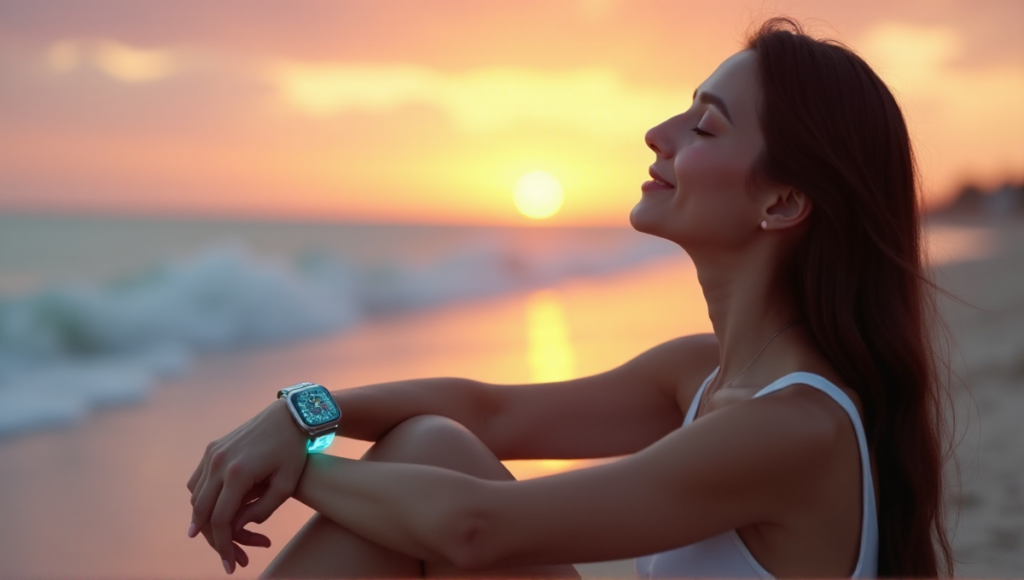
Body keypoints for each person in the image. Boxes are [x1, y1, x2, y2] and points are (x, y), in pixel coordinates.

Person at [186, 17, 954, 578]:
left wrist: (297, 464)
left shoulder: (794, 429)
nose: (659, 132)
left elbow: (475, 533)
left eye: (705, 127)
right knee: (434, 440)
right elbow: (485, 412)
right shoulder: (703, 377)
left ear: (783, 202)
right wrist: (300, 413)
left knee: (436, 482)